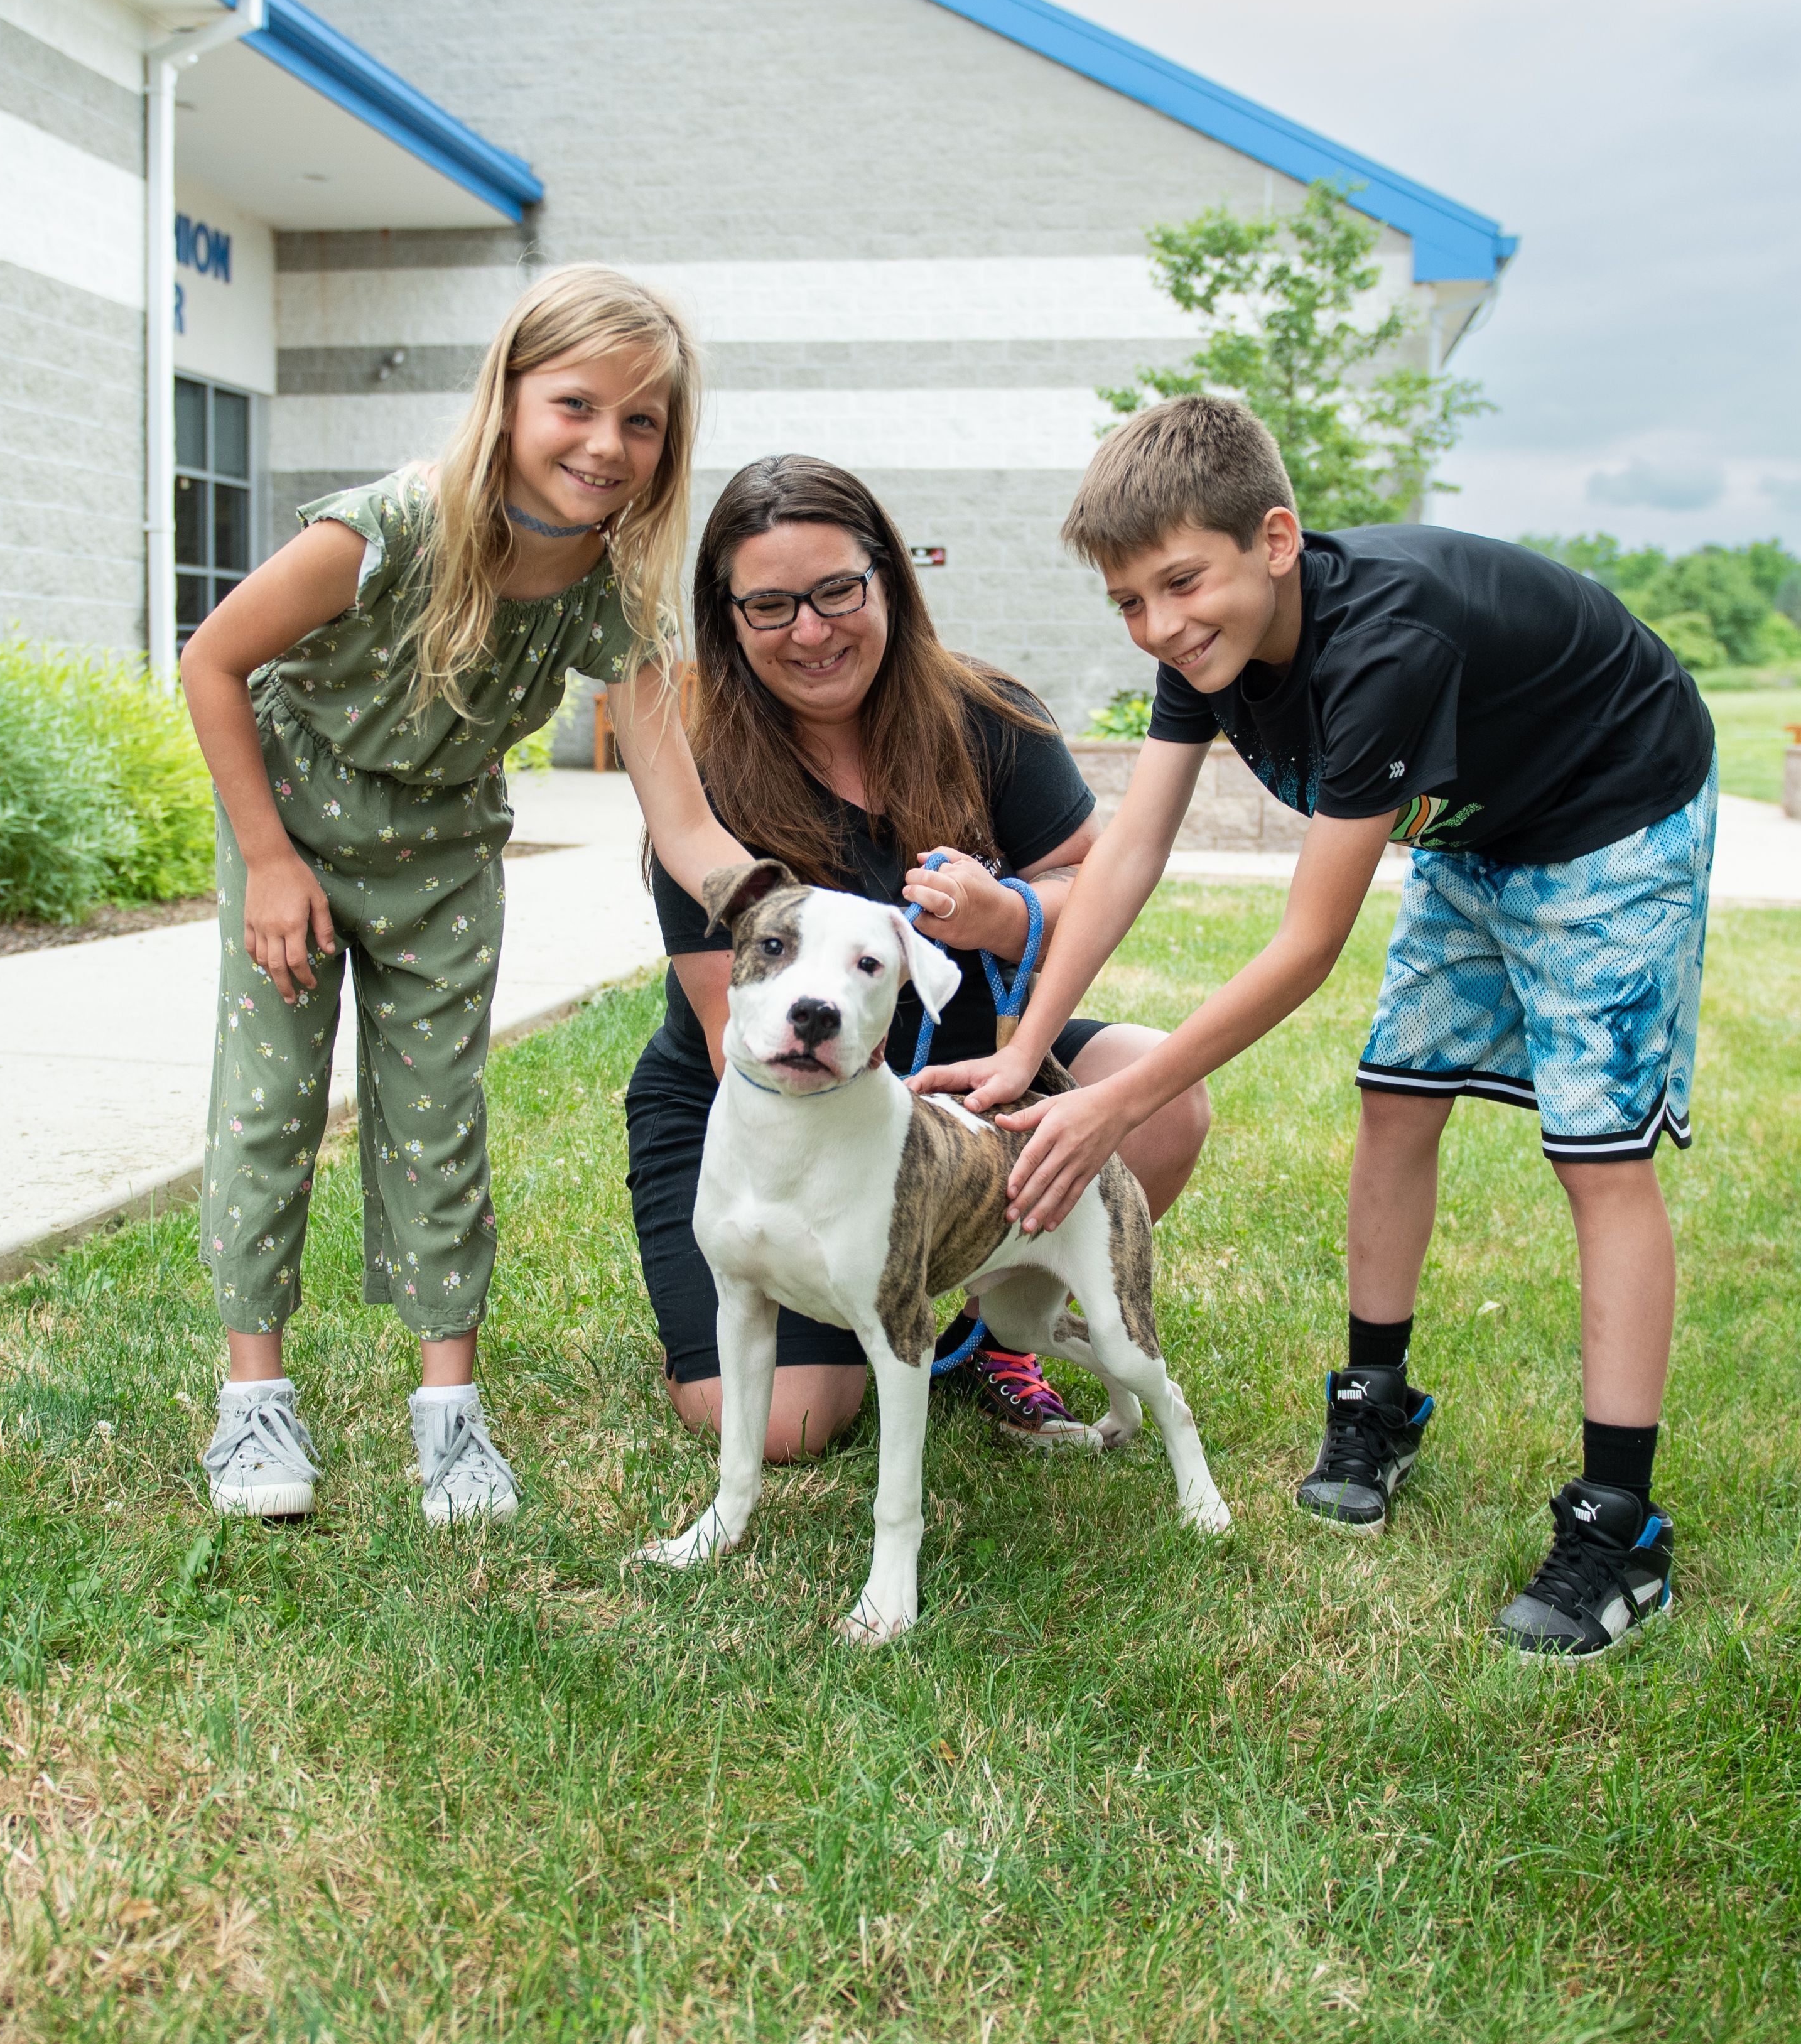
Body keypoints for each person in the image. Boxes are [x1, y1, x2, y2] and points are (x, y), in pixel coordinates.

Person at [917, 396, 1716, 1660]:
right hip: (1476, 824)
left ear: (1275, 539)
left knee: (1595, 1156)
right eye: (1129, 599)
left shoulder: (1382, 650)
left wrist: (1113, 1099)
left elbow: (1305, 946)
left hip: (1609, 806)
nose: (1160, 623)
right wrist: (1028, 1047)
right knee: (1397, 1097)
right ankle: (1375, 1405)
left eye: (1181, 582)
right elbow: (1129, 851)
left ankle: (1616, 1527)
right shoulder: (1203, 657)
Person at [176, 266, 742, 1525]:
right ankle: (251, 1403)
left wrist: (773, 904)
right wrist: (267, 859)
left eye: (640, 421)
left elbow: (681, 816)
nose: (605, 443)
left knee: (437, 1122)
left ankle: (450, 1421)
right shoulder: (389, 528)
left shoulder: (610, 589)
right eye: (576, 405)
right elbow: (212, 659)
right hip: (297, 829)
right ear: (510, 396)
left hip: (440, 858)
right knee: (269, 1108)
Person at [627, 453, 1215, 1461]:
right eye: (768, 607)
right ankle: (837, 1307)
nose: (810, 631)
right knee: (787, 1424)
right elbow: (744, 1044)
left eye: (837, 591)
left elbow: (1088, 886)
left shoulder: (990, 716)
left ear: (888, 580)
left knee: (1156, 1094)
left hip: (970, 1069)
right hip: (768, 1105)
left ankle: (996, 1315)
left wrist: (1011, 914)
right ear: (726, 620)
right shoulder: (712, 786)